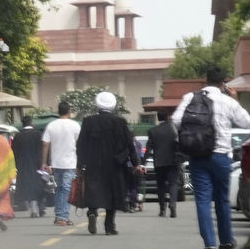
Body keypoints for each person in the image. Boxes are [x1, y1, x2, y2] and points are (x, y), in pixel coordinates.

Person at [172, 68, 250, 249]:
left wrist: (189, 139)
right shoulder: (227, 101)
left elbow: (176, 120)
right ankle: (225, 241)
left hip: (198, 155)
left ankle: (209, 244)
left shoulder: (190, 97)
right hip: (221, 155)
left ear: (205, 80)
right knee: (222, 199)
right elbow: (246, 123)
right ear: (224, 82)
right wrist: (235, 99)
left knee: (202, 200)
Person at [76, 90, 138, 235]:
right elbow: (130, 144)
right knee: (113, 193)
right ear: (113, 105)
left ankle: (92, 211)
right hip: (115, 165)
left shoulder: (88, 122)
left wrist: (80, 165)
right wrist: (135, 162)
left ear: (97, 105)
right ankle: (109, 226)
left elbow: (81, 144)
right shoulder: (120, 122)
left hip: (93, 163)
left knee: (93, 189)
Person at [41, 100, 80, 227]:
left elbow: (45, 143)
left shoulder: (52, 125)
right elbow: (79, 144)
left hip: (56, 163)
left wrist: (44, 162)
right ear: (69, 111)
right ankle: (62, 216)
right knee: (67, 190)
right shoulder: (75, 125)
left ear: (58, 112)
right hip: (70, 163)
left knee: (59, 189)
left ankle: (59, 215)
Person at [144, 111, 181, 217]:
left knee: (160, 185)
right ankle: (172, 203)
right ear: (168, 116)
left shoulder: (153, 131)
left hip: (159, 162)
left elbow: (149, 147)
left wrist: (143, 162)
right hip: (173, 161)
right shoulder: (174, 130)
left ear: (158, 118)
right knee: (173, 184)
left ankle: (162, 209)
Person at [12, 114, 45, 217]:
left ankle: (33, 209)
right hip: (37, 165)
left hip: (23, 166)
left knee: (27, 187)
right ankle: (40, 207)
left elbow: (14, 152)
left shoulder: (18, 136)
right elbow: (42, 150)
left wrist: (16, 165)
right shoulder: (38, 135)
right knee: (39, 185)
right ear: (31, 123)